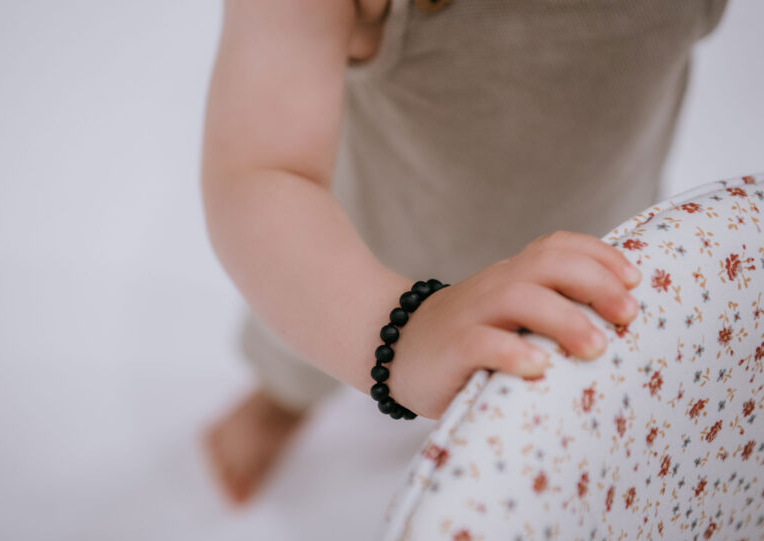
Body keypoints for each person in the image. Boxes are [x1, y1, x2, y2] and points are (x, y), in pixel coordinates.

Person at [200, 0, 728, 505]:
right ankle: (284, 400)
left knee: (550, 377)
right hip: (370, 255)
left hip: (598, 231)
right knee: (304, 346)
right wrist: (401, 333)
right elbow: (260, 171)